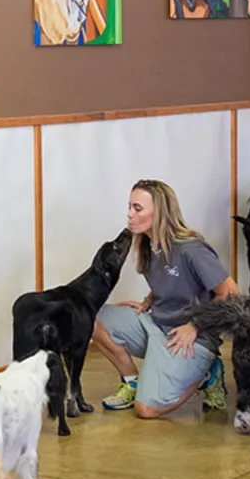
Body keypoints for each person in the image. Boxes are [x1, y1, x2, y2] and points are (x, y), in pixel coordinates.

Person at [91, 179, 241, 418]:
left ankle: (207, 374)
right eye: (129, 206)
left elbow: (231, 293)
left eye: (137, 208)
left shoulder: (191, 248)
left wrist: (195, 326)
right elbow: (171, 282)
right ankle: (131, 382)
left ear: (159, 212)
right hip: (158, 325)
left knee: (147, 410)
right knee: (93, 317)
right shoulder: (149, 244)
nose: (129, 214)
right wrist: (147, 302)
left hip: (192, 337)